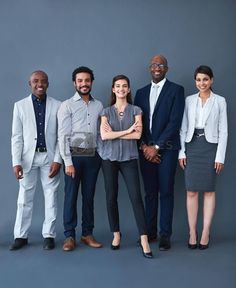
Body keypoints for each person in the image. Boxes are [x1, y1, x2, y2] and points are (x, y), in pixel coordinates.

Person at [98, 75, 153, 258]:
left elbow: (137, 137)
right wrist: (128, 130)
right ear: (113, 89)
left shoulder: (136, 110)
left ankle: (144, 239)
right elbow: (104, 137)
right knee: (111, 197)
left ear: (128, 89)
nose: (121, 89)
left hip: (129, 158)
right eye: (118, 86)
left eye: (124, 86)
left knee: (136, 198)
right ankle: (116, 234)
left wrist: (118, 133)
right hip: (109, 159)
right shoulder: (105, 112)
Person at [134, 55, 185, 251]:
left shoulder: (176, 90)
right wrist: (145, 146)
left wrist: (157, 148)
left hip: (168, 150)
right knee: (149, 193)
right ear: (150, 68)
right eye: (154, 65)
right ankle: (150, 232)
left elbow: (175, 122)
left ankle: (165, 235)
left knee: (166, 191)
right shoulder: (140, 92)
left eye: (161, 65)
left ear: (167, 69)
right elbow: (137, 122)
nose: (157, 68)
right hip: (145, 150)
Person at [10, 70, 62, 251]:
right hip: (27, 159)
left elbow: (61, 137)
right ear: (29, 83)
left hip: (49, 158)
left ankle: (49, 235)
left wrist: (58, 160)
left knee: (51, 197)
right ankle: (20, 236)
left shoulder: (58, 105)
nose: (39, 84)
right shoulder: (20, 106)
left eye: (43, 81)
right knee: (24, 198)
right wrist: (16, 162)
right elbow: (16, 137)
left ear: (48, 83)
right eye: (35, 81)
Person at [179, 65, 228, 250]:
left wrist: (220, 157)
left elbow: (223, 131)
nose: (202, 83)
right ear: (195, 81)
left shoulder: (220, 101)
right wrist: (182, 152)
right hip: (192, 146)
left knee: (208, 191)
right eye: (198, 80)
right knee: (191, 191)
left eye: (205, 79)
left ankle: (206, 231)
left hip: (211, 148)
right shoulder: (189, 100)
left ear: (212, 80)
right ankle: (192, 231)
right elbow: (183, 128)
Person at [58, 66, 103, 251]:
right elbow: (63, 135)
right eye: (80, 81)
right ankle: (69, 236)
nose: (84, 84)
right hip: (74, 157)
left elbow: (100, 133)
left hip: (93, 156)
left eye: (87, 80)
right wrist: (67, 162)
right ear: (74, 83)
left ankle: (87, 234)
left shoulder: (98, 105)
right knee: (71, 197)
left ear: (91, 82)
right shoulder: (67, 105)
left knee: (89, 197)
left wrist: (100, 153)